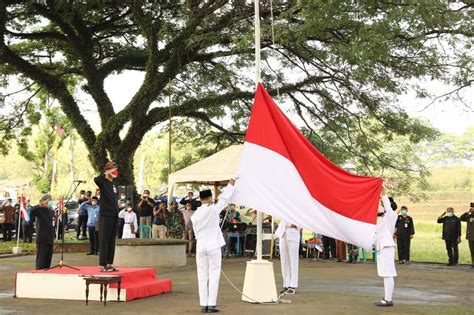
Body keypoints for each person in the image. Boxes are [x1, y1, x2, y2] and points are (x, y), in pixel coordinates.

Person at [191, 179, 235, 313]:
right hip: (213, 245)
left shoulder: (195, 215)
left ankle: (204, 304)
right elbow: (224, 198)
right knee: (214, 274)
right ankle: (211, 304)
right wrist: (230, 185)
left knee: (202, 275)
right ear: (209, 198)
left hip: (200, 246)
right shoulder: (213, 210)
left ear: (200, 199)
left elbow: (196, 232)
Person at [94, 161, 120, 272]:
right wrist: (106, 172)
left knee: (111, 240)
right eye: (113, 169)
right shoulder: (103, 181)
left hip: (114, 214)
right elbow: (96, 179)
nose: (115, 172)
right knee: (104, 240)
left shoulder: (113, 183)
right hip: (105, 215)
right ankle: (102, 264)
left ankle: (110, 263)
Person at [374, 189, 398, 307]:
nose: (381, 206)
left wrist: (382, 192)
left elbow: (387, 205)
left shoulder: (392, 215)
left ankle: (388, 299)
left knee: (388, 273)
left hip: (387, 246)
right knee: (385, 273)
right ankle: (387, 298)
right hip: (382, 247)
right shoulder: (384, 218)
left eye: (382, 203)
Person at [275, 220, 301, 295]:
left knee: (293, 261)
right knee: (284, 262)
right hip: (283, 234)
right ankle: (286, 284)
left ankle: (292, 285)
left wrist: (295, 225)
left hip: (293, 234)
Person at [30, 194, 55, 270]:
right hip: (42, 238)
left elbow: (53, 214)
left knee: (48, 260)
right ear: (44, 201)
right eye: (48, 200)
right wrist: (41, 204)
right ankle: (39, 274)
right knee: (41, 260)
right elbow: (32, 210)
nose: (50, 201)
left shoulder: (51, 211)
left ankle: (46, 273)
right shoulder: (39, 210)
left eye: (51, 200)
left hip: (50, 238)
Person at [459, 203, 474, 268]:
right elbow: (461, 218)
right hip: (470, 236)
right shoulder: (469, 216)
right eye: (471, 208)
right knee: (472, 251)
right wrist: (467, 212)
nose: (472, 209)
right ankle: (473, 263)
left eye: (473, 208)